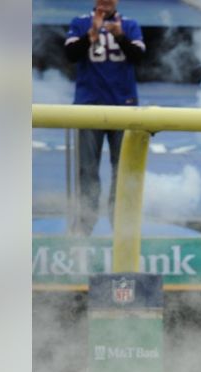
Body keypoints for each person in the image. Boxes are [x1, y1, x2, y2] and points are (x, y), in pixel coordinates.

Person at [64, 0, 146, 236]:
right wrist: (91, 33)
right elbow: (70, 54)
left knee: (123, 170)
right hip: (89, 106)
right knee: (87, 170)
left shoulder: (129, 25)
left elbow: (139, 56)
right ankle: (84, 226)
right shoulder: (80, 22)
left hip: (124, 106)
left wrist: (120, 36)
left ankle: (121, 227)